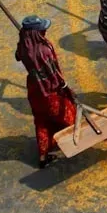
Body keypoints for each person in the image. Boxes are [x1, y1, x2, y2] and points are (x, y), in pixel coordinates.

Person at [15, 15, 77, 169]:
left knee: (41, 120)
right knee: (67, 114)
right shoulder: (44, 49)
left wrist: (23, 40)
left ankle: (43, 156)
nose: (44, 31)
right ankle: (74, 141)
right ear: (36, 33)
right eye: (42, 29)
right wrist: (66, 88)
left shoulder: (24, 46)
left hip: (35, 90)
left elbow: (17, 57)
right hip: (50, 90)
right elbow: (53, 73)